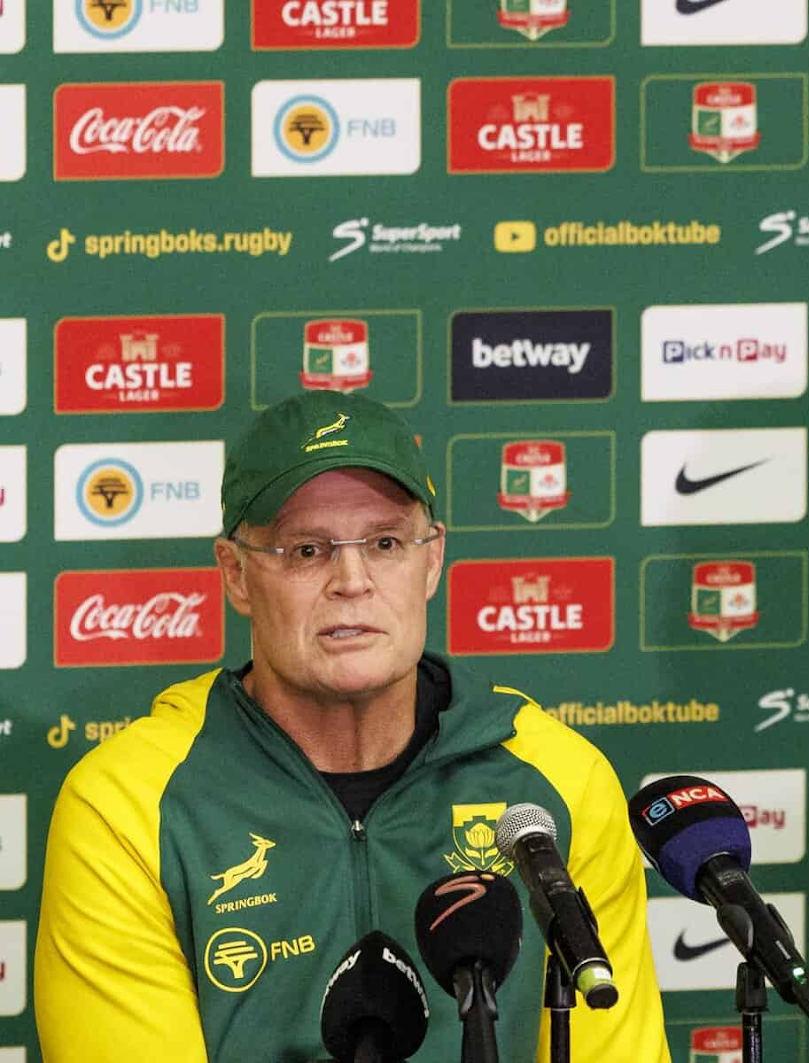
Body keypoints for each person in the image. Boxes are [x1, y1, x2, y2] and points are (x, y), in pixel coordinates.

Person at [35, 391, 670, 1062]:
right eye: (307, 549)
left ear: (432, 560)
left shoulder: (560, 783)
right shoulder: (126, 805)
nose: (352, 579)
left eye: (386, 542)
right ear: (236, 573)